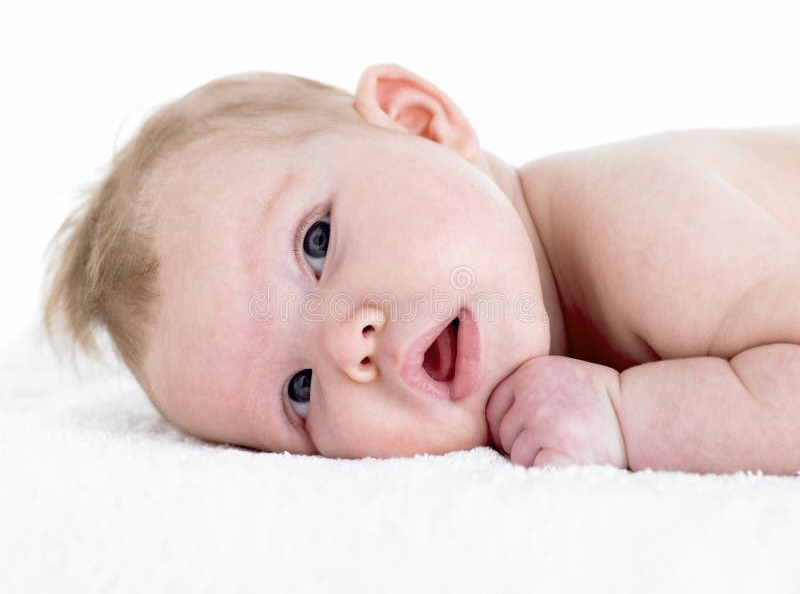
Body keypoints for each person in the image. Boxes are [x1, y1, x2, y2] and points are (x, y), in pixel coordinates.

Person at [43, 63, 800, 475]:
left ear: (420, 124)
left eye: (316, 243)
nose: (348, 345)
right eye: (299, 395)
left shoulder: (642, 223)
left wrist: (632, 419)